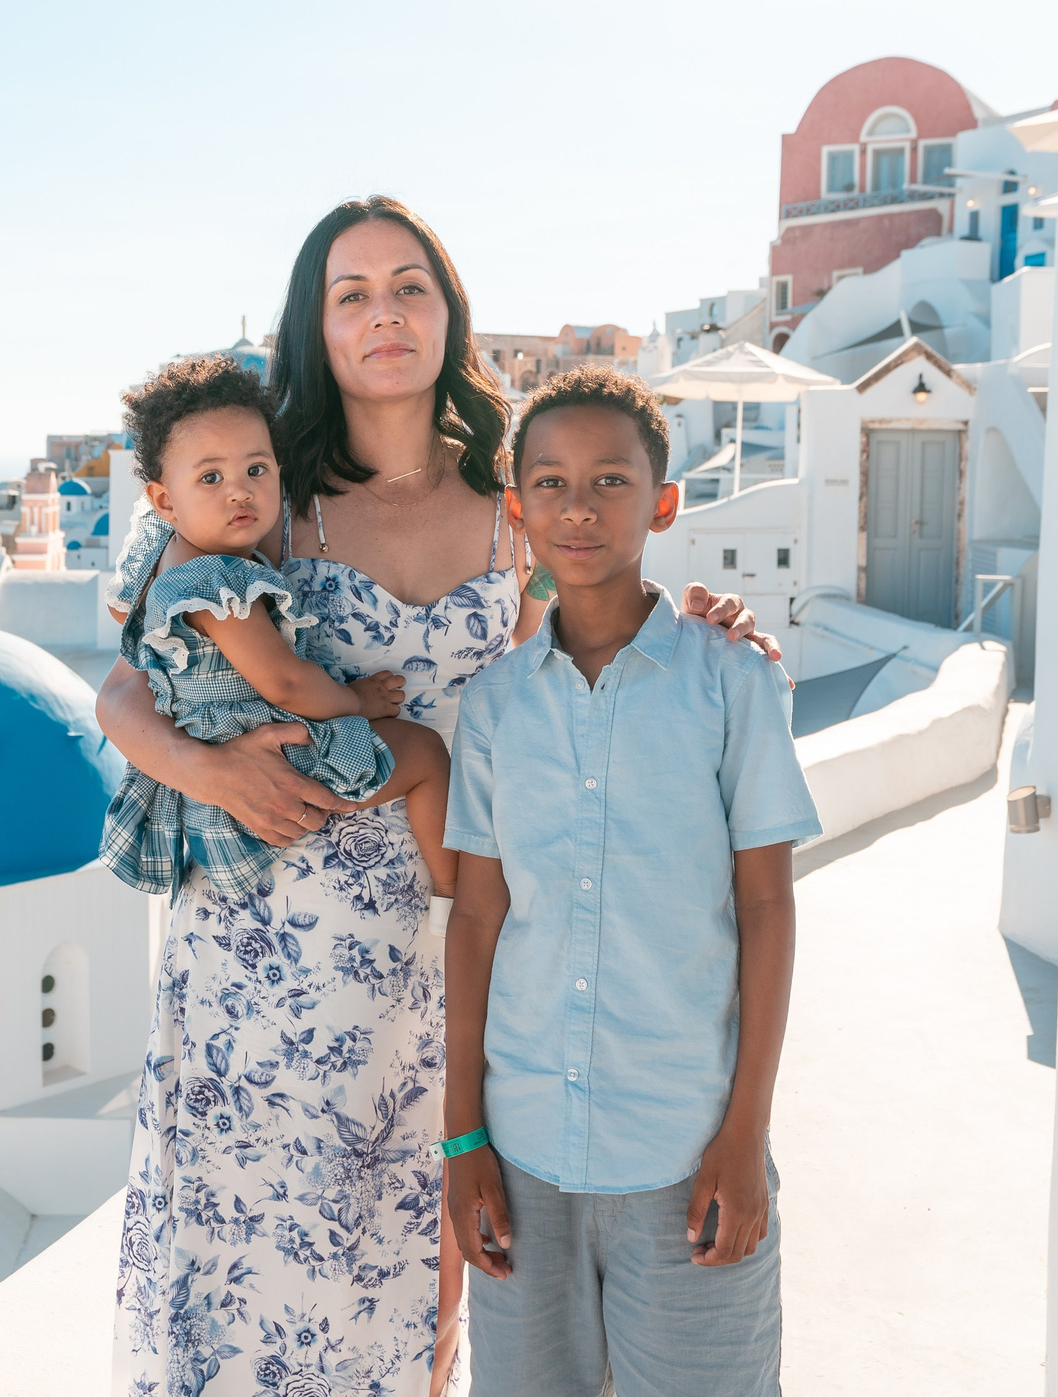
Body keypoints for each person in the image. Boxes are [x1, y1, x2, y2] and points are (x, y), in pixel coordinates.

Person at [101, 196, 772, 1397]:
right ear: (316, 326)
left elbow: (587, 626)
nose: (382, 315)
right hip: (268, 943)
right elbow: (122, 691)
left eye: (408, 285)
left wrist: (711, 621)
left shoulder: (508, 500)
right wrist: (206, 771)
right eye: (349, 294)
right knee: (259, 1277)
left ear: (447, 308)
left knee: (429, 1291)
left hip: (466, 936)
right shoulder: (257, 495)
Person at [441, 367, 820, 1397]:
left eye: (610, 480)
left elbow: (766, 907)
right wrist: (462, 1135)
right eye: (551, 483)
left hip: (685, 1148)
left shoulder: (730, 679)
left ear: (663, 502)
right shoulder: (496, 707)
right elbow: (477, 918)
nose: (578, 506)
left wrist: (745, 1136)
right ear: (516, 510)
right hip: (521, 1154)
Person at [99, 353, 454, 912]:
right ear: (164, 500)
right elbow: (285, 683)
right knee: (427, 755)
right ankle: (453, 897)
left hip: (229, 792)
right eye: (211, 478)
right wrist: (357, 701)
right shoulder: (215, 583)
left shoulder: (165, 561)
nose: (239, 492)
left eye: (256, 471)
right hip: (270, 769)